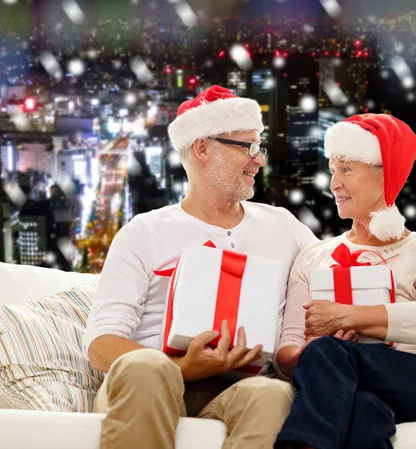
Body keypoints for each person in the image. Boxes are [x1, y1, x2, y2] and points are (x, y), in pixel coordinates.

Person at [83, 85, 318, 449]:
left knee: (271, 395)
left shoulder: (284, 227)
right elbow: (101, 345)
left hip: (234, 390)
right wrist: (180, 367)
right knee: (148, 369)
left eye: (260, 147)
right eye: (248, 147)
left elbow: (328, 273)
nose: (259, 160)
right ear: (203, 148)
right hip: (150, 382)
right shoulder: (145, 232)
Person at [273, 113, 416, 449]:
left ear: (386, 175)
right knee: (363, 410)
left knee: (330, 353)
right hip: (351, 381)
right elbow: (287, 347)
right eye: (332, 170)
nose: (334, 184)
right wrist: (303, 357)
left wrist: (348, 317)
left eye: (347, 170)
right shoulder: (313, 257)